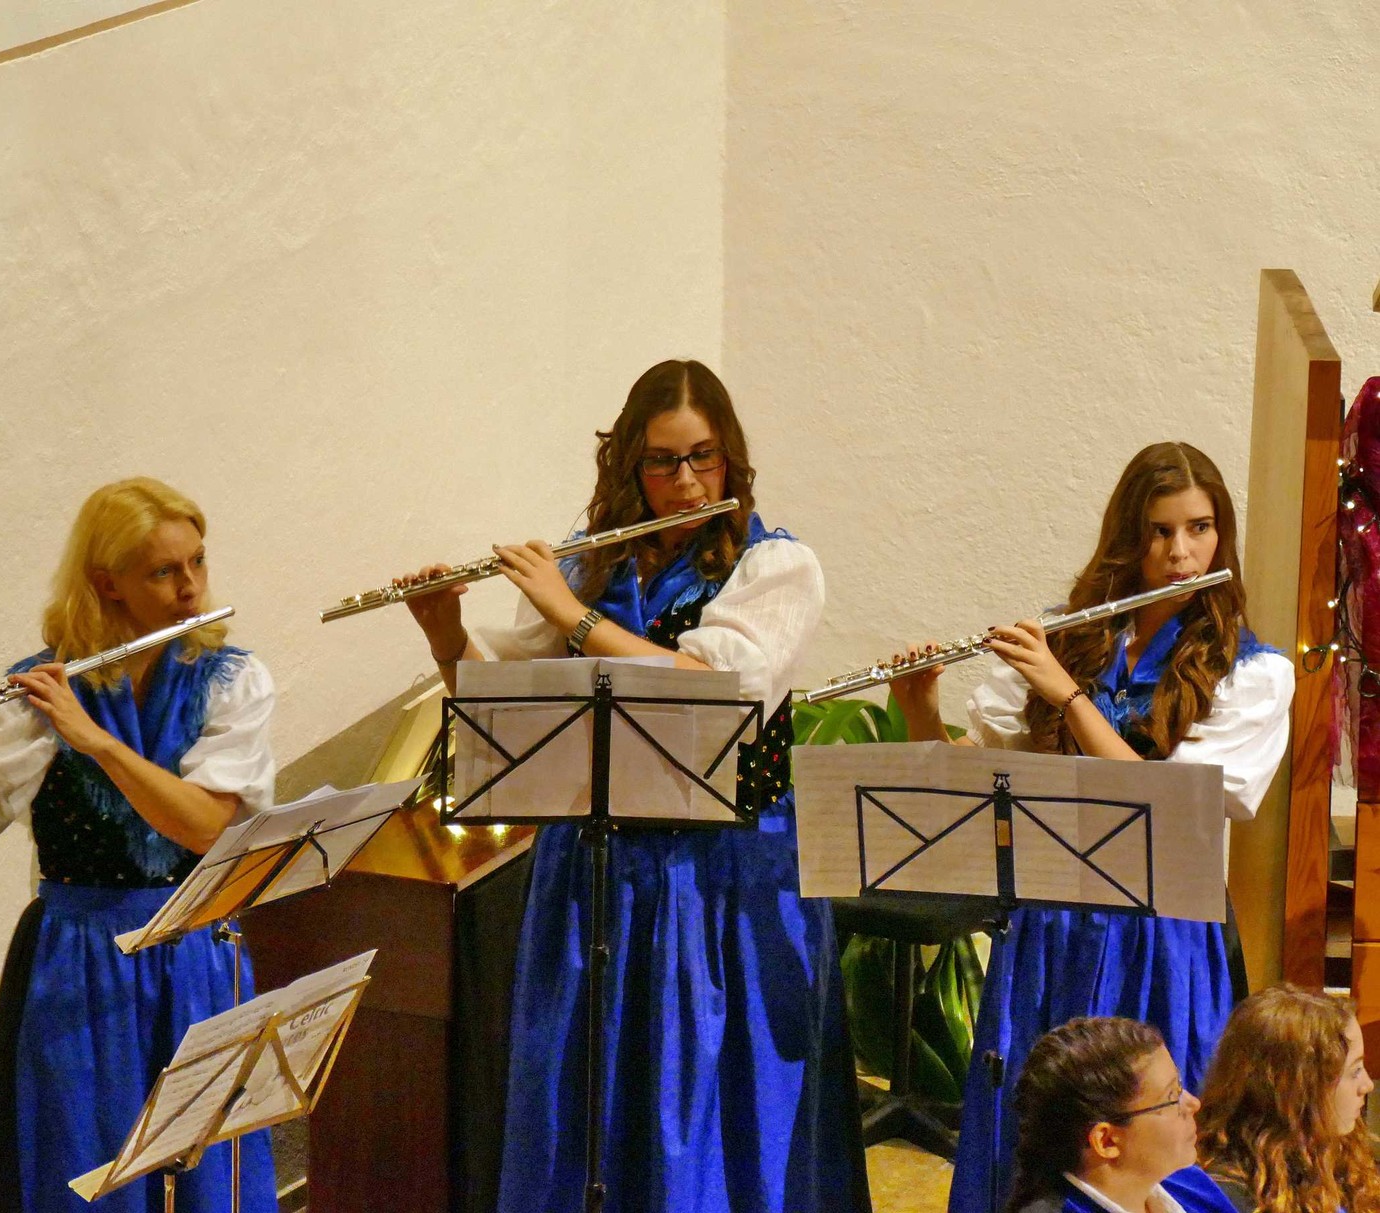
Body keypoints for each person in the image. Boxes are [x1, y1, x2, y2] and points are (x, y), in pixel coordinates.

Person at [399, 359, 868, 1212]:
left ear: (731, 460)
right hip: (596, 871)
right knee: (585, 1100)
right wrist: (446, 636)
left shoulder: (777, 566)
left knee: (715, 1111)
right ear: (629, 465)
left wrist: (577, 619)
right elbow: (506, 711)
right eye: (661, 462)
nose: (685, 483)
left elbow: (715, 684)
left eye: (704, 458)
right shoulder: (591, 563)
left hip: (727, 876)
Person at [892, 441, 1294, 1212]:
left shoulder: (1252, 671)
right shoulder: (1076, 640)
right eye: (1159, 532)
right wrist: (918, 705)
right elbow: (979, 778)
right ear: (1127, 539)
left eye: (1200, 529)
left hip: (1160, 936)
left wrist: (1067, 694)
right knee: (1031, 1144)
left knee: (1146, 1151)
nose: (1181, 552)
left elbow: (1173, 803)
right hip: (1051, 925)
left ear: (1223, 537)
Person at [0, 477, 275, 1213]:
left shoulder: (231, 680)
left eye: (197, 562)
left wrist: (98, 742)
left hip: (195, 946)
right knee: (80, 1176)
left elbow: (205, 824)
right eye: (165, 571)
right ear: (107, 582)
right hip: (75, 961)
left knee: (211, 1178)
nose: (191, 588)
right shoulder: (43, 692)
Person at [1005, 1016, 1236, 1213]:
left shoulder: (1190, 1185)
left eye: (1180, 1085)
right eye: (1171, 1097)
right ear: (1106, 1141)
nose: (1193, 1103)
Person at [1196, 983, 1380, 1213]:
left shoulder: (1337, 1156)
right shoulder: (1224, 1196)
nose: (1367, 1085)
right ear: (1299, 1090)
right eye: (1354, 1071)